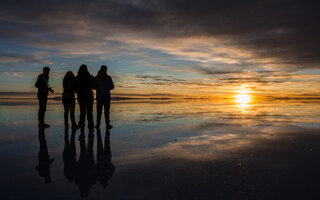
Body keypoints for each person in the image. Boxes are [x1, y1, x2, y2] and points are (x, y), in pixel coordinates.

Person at [75, 64, 95, 130]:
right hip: (89, 97)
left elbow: (75, 87)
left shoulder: (77, 77)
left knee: (82, 112)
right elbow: (94, 86)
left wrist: (78, 92)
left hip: (81, 97)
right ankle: (91, 125)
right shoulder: (90, 77)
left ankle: (81, 124)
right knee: (89, 112)